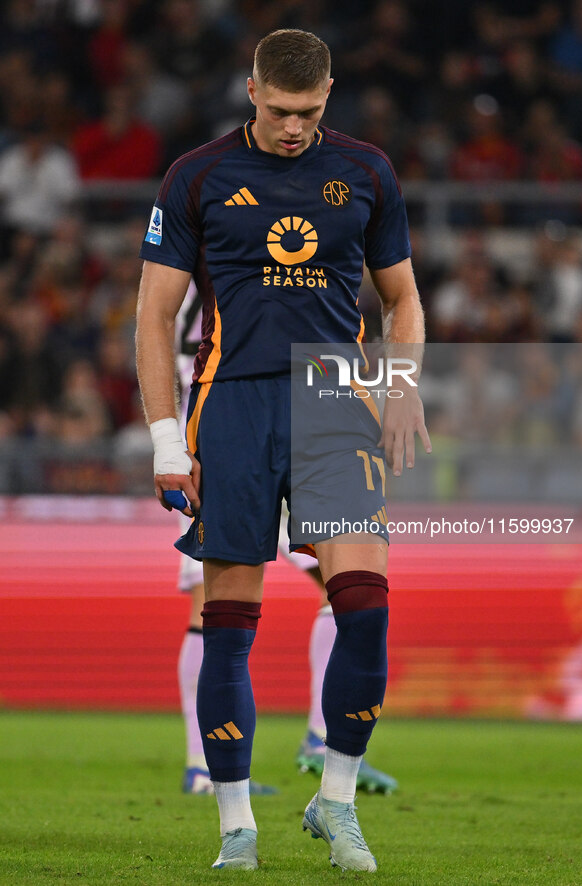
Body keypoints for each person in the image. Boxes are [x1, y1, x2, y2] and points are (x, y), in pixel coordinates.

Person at [136, 29, 429, 873]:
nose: (294, 127)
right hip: (230, 404)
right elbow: (154, 318)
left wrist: (402, 383)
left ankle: (334, 803)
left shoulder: (368, 171)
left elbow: (402, 299)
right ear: (253, 90)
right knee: (228, 623)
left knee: (366, 608)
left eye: (309, 111)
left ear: (328, 93)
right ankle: (235, 825)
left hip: (335, 396)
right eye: (280, 109)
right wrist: (165, 440)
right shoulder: (196, 175)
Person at [175, 282, 398, 798]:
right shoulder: (209, 279)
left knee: (339, 587)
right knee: (215, 603)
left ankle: (315, 743)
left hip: (250, 430)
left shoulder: (207, 276)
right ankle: (208, 768)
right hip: (225, 437)